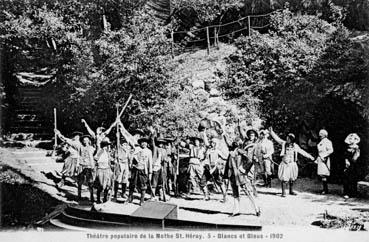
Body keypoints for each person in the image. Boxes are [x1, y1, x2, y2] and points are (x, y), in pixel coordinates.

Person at [269, 128, 314, 197]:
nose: (287, 139)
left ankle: (291, 190)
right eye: (287, 138)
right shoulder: (284, 144)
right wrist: (271, 132)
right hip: (285, 163)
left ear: (292, 140)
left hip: (292, 164)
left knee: (292, 178)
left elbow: (302, 152)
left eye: (289, 138)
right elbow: (277, 139)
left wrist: (310, 157)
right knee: (284, 178)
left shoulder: (295, 146)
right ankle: (283, 192)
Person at [224, 141, 261, 217]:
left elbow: (250, 161)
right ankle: (236, 210)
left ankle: (257, 208)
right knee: (235, 193)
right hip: (232, 175)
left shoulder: (241, 152)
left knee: (247, 191)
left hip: (239, 174)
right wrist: (226, 176)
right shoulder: (230, 153)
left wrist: (244, 169)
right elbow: (227, 165)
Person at [184, 134, 209, 200]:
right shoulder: (191, 147)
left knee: (202, 179)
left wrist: (202, 161)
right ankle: (188, 192)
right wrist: (187, 139)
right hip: (192, 163)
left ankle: (206, 194)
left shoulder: (202, 148)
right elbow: (183, 144)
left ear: (200, 142)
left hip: (198, 163)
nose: (196, 142)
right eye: (195, 141)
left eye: (197, 141)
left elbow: (206, 154)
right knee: (190, 178)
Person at [204, 137, 228, 202]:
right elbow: (205, 158)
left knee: (220, 182)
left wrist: (219, 162)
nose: (212, 144)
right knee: (203, 181)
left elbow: (225, 157)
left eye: (214, 143)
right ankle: (207, 196)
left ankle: (225, 197)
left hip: (216, 168)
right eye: (211, 142)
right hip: (208, 168)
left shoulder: (217, 151)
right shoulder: (208, 150)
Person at [94, 138, 113, 203]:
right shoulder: (100, 151)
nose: (107, 147)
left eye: (107, 146)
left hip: (107, 169)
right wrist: (100, 162)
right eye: (105, 145)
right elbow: (95, 157)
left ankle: (105, 198)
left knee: (107, 184)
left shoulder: (108, 153)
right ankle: (98, 199)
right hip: (101, 169)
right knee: (101, 184)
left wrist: (113, 161)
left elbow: (110, 160)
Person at [315, 129, 334, 195]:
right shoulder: (321, 142)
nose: (320, 135)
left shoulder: (328, 142)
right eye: (320, 133)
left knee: (324, 174)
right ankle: (324, 188)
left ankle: (325, 189)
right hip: (320, 159)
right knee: (321, 174)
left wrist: (324, 156)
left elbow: (331, 150)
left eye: (321, 134)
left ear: (325, 135)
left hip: (324, 159)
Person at [78, 135, 96, 201]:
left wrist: (92, 165)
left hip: (89, 166)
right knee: (80, 181)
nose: (85, 142)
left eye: (87, 140)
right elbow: (79, 156)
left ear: (89, 141)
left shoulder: (92, 148)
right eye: (84, 140)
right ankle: (79, 196)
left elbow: (94, 156)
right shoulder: (81, 147)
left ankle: (91, 196)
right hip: (82, 165)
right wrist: (78, 164)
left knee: (90, 182)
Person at [343, 133, 361, 199]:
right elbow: (345, 156)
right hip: (348, 164)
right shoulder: (347, 148)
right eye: (349, 139)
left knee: (353, 178)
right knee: (346, 178)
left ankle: (353, 192)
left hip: (354, 165)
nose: (350, 140)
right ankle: (346, 192)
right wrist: (346, 161)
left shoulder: (357, 148)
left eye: (352, 139)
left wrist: (355, 158)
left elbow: (357, 157)